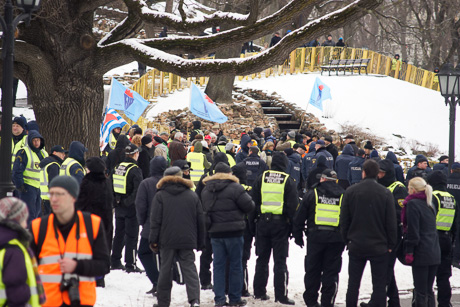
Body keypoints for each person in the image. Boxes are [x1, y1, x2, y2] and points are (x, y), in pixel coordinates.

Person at [30, 176, 110, 307]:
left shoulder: (92, 224)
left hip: (81, 300)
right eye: (51, 194)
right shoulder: (39, 227)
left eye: (60, 194)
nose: (54, 199)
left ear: (73, 197)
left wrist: (77, 266)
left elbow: (104, 266)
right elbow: (27, 269)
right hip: (48, 302)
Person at [341, 159, 397, 307]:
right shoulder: (385, 193)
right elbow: (391, 222)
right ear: (378, 174)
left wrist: (347, 240)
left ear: (363, 172)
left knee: (353, 284)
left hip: (356, 244)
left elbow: (344, 220)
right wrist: (391, 243)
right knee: (379, 285)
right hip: (379, 246)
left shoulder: (351, 191)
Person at [149, 166, 206, 307]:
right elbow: (200, 220)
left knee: (165, 271)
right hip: (187, 239)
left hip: (166, 239)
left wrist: (153, 240)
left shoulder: (160, 196)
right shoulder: (192, 195)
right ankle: (195, 300)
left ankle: (163, 302)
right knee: (190, 269)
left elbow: (155, 221)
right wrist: (200, 241)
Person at [201, 162, 255, 307]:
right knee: (236, 265)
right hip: (234, 232)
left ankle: (219, 299)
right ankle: (235, 298)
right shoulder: (236, 188)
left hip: (215, 233)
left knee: (218, 265)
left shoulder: (206, 190)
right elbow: (249, 206)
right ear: (228, 173)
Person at [293, 169, 345, 307]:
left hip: (315, 238)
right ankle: (327, 302)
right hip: (336, 240)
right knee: (331, 272)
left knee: (312, 270)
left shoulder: (313, 193)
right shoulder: (343, 195)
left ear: (323, 179)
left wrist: (298, 236)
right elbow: (349, 219)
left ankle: (311, 301)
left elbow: (299, 217)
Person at [252, 152, 298, 305]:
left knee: (262, 259)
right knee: (280, 261)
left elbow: (254, 201)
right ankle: (281, 295)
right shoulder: (287, 181)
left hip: (262, 223)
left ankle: (259, 292)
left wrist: (254, 223)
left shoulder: (262, 177)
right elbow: (292, 207)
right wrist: (291, 227)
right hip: (280, 225)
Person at [361, 159, 408, 307]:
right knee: (386, 269)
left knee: (385, 269)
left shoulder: (398, 188)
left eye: (381, 172)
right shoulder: (376, 186)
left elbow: (399, 213)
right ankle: (393, 302)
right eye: (378, 172)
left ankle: (376, 301)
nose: (379, 175)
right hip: (378, 234)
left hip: (391, 235)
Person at [75, 157, 113, 288]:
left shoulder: (86, 183)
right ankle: (100, 277)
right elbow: (109, 203)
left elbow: (80, 203)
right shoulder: (107, 183)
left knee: (88, 248)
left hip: (88, 222)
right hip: (105, 222)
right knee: (102, 249)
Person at [0, 197, 45, 307]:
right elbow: (17, 292)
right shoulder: (14, 250)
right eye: (24, 219)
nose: (25, 225)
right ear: (17, 220)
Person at [402, 177, 441, 307]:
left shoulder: (412, 204)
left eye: (408, 189)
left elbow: (413, 231)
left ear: (413, 189)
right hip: (434, 251)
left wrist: (409, 251)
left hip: (421, 252)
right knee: (429, 290)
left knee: (420, 290)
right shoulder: (429, 204)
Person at [135, 156, 168, 296]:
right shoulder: (168, 183)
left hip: (150, 225)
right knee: (162, 255)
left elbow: (140, 205)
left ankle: (158, 282)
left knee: (143, 252)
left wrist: (142, 222)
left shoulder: (146, 183)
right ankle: (161, 283)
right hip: (167, 225)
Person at [111, 144, 143, 273]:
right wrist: (128, 202)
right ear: (135, 154)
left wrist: (117, 201)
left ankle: (115, 260)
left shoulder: (118, 167)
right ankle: (131, 263)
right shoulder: (135, 169)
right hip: (130, 207)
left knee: (119, 234)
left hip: (119, 205)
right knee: (132, 236)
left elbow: (112, 186)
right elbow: (138, 191)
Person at [426, 171, 457, 307]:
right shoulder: (451, 198)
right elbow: (455, 223)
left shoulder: (433, 197)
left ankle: (427, 302)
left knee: (428, 274)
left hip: (433, 239)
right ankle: (444, 303)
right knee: (444, 276)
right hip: (447, 239)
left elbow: (428, 218)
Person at [12, 130, 48, 223]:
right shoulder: (24, 152)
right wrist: (20, 185)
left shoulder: (43, 153)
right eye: (34, 140)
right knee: (29, 214)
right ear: (30, 141)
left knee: (37, 213)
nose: (36, 143)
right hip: (27, 187)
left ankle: (34, 233)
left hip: (37, 187)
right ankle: (28, 234)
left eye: (38, 140)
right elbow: (17, 170)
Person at [39, 145, 67, 215]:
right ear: (54, 153)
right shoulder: (54, 165)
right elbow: (53, 183)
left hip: (42, 196)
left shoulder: (45, 163)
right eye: (61, 153)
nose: (64, 155)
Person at [448, 162, 460, 265]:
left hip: (447, 211)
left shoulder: (446, 181)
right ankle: (456, 258)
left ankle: (449, 255)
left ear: (451, 170)